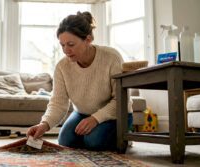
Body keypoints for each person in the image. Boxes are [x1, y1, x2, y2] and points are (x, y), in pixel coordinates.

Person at [27, 11, 129, 151]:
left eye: (71, 44)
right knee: (65, 141)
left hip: (118, 114)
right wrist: (44, 124)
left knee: (93, 141)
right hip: (83, 113)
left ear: (87, 40)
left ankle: (123, 138)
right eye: (62, 45)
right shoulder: (62, 67)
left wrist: (95, 119)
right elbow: (58, 102)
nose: (66, 50)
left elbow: (121, 100)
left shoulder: (111, 57)